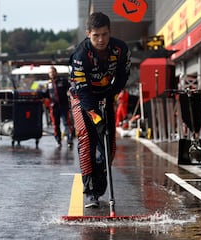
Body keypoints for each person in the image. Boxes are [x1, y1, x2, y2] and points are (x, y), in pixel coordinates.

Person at [69, 12, 131, 208]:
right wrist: (96, 119)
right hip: (81, 98)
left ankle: (100, 181)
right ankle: (90, 192)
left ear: (109, 32)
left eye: (104, 34)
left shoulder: (121, 49)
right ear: (88, 34)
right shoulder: (80, 56)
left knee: (108, 146)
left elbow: (122, 76)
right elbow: (84, 92)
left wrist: (110, 94)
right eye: (96, 35)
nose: (101, 39)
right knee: (87, 138)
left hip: (105, 95)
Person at [45, 66, 74, 147]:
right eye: (50, 73)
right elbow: (46, 95)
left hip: (63, 105)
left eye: (52, 72)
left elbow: (70, 88)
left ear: (56, 72)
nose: (51, 74)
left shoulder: (63, 81)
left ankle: (69, 140)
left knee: (66, 123)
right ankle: (58, 141)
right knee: (55, 124)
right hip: (54, 107)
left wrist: (70, 95)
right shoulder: (48, 84)